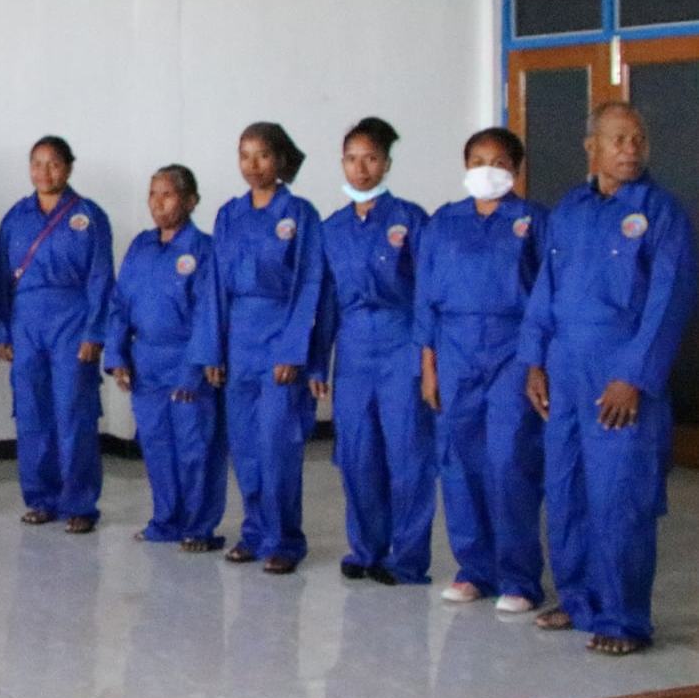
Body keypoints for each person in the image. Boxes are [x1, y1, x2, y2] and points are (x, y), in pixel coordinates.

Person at [522, 102, 695, 656]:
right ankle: (577, 599)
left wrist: (634, 377)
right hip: (565, 368)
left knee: (620, 495)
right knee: (567, 487)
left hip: (619, 368)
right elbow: (545, 291)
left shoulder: (660, 213)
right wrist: (535, 361)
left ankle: (622, 619)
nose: (631, 149)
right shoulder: (568, 212)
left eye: (638, 139)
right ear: (591, 146)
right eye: (619, 139)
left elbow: (669, 301)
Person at [417, 128, 546, 613]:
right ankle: (474, 568)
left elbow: (546, 295)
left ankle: (519, 578)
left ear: (515, 168)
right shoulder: (444, 223)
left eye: (497, 160)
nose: (486, 168)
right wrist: (429, 366)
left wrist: (537, 363)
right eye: (477, 159)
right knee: (459, 461)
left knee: (510, 460)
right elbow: (425, 299)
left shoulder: (532, 221)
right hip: (454, 351)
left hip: (513, 349)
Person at [192, 122, 324, 575]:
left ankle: (284, 539)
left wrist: (293, 351)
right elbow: (212, 285)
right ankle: (254, 531)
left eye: (263, 155)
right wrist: (212, 350)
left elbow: (310, 284)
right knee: (245, 445)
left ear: (281, 159)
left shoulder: (300, 214)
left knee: (277, 444)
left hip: (279, 341)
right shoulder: (229, 214)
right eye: (244, 155)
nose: (253, 165)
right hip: (237, 341)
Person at [310, 117, 435, 586]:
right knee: (357, 454)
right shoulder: (333, 228)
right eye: (351, 159)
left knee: (407, 454)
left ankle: (406, 558)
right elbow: (323, 300)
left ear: (386, 164)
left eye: (370, 159)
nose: (360, 168)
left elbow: (426, 293)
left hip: (401, 341)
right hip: (355, 349)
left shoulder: (410, 219)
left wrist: (427, 358)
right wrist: (319, 360)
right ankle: (365, 548)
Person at [0, 136, 112, 533]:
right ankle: (40, 498)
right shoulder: (16, 217)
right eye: (36, 164)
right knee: (31, 413)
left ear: (69, 168)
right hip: (26, 323)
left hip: (72, 324)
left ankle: (79, 503)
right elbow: (1, 280)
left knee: (74, 412)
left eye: (54, 164)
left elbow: (100, 279)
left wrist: (96, 332)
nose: (45, 172)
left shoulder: (89, 216)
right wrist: (1, 329)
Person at [104, 165, 226, 551]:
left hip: (185, 360)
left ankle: (198, 526)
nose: (158, 203)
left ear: (190, 201)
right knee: (156, 446)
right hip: (145, 362)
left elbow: (210, 312)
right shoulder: (141, 245)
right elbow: (119, 303)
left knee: (195, 449)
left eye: (168, 194)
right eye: (153, 193)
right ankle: (165, 519)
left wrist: (196, 370)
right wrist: (118, 353)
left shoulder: (204, 250)